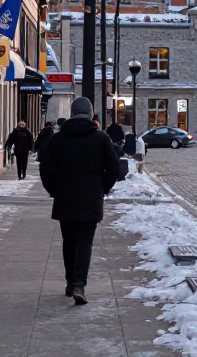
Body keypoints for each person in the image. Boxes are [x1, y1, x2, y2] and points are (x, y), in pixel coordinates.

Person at [40, 97, 119, 306]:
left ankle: (69, 280)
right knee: (85, 240)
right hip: (90, 198)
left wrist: (54, 190)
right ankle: (79, 283)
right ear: (91, 113)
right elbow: (114, 169)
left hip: (65, 197)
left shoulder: (58, 139)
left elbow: (45, 169)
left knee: (69, 240)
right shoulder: (101, 138)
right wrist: (103, 187)